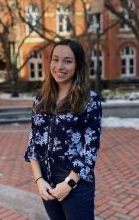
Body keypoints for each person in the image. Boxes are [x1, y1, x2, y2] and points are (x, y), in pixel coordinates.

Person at [24, 39, 103, 220]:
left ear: (77, 65)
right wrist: (39, 180)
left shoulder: (89, 101)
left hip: (76, 182)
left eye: (67, 61)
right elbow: (33, 143)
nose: (59, 66)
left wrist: (69, 183)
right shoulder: (41, 99)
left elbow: (91, 150)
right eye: (55, 59)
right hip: (46, 180)